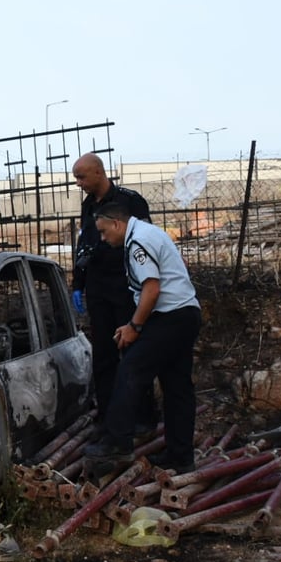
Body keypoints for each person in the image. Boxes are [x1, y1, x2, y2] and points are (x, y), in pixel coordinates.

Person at [83, 201, 202, 471]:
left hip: (170, 316)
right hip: (185, 313)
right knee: (177, 387)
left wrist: (134, 327)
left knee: (130, 370)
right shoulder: (150, 232)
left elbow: (151, 289)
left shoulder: (137, 242)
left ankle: (117, 443)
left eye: (103, 232)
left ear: (117, 224)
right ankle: (181, 457)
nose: (103, 238)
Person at [71, 153, 157, 428]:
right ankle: (109, 418)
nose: (79, 183)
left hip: (125, 285)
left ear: (98, 172)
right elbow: (84, 244)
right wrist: (78, 284)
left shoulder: (129, 201)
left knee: (132, 351)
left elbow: (146, 242)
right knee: (104, 356)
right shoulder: (87, 206)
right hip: (98, 288)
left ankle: (143, 417)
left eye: (82, 177)